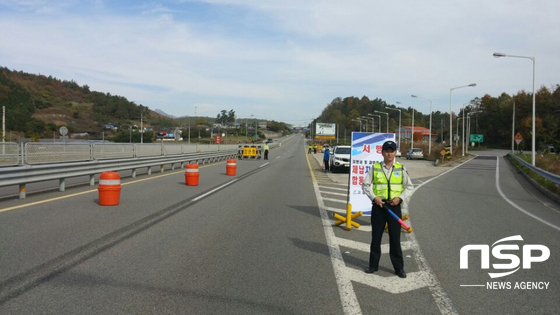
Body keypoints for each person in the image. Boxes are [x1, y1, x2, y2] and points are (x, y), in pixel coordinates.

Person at [362, 140, 413, 278]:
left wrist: (400, 198)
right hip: (379, 207)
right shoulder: (375, 167)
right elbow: (365, 185)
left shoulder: (401, 168)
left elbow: (409, 187)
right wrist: (374, 198)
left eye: (392, 151)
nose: (389, 153)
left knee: (395, 239)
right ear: (382, 152)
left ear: (395, 152)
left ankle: (399, 268)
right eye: (387, 151)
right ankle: (373, 265)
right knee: (376, 238)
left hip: (394, 207)